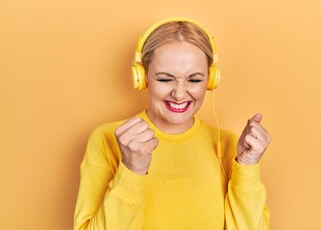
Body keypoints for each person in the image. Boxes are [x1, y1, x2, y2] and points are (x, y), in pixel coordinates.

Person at [73, 17, 272, 230]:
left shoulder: (228, 144)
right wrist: (132, 170)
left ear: (211, 80)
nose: (178, 94)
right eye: (165, 79)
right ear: (142, 77)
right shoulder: (107, 138)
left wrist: (247, 167)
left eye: (194, 80)